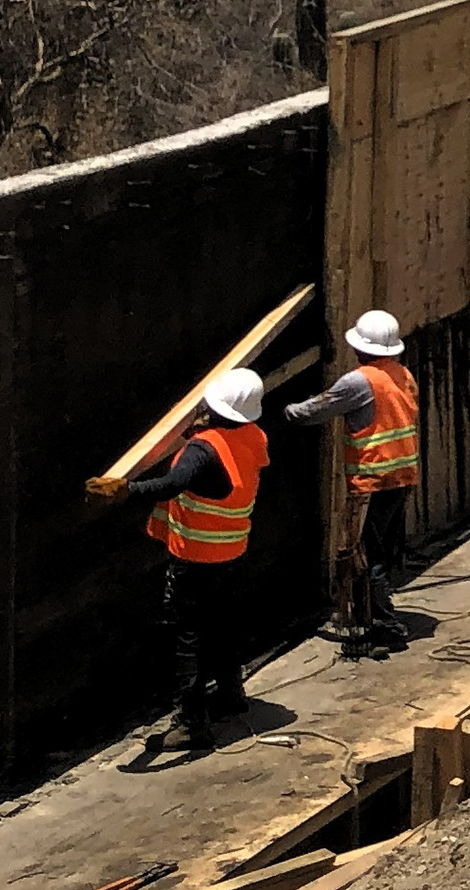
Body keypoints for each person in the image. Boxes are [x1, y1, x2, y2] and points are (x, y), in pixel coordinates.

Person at [88, 368, 270, 756]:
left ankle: (191, 725)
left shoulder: (203, 449)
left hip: (196, 559)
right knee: (221, 626)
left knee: (189, 638)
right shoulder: (252, 436)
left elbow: (173, 484)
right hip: (231, 551)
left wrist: (126, 490)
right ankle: (230, 695)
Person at [282, 307, 420, 654]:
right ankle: (369, 617)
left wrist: (285, 409)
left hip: (372, 481)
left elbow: (313, 411)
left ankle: (384, 628)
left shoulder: (358, 382)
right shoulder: (402, 374)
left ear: (361, 347)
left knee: (363, 556)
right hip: (402, 476)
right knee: (379, 552)